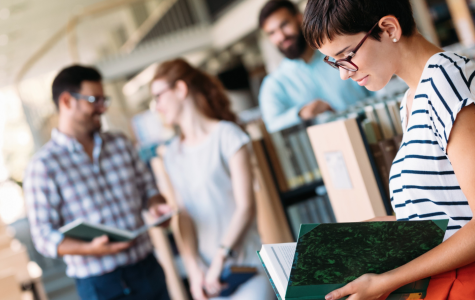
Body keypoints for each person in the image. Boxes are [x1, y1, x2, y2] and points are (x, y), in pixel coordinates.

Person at [302, 0, 475, 299]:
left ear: (389, 28)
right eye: (334, 62)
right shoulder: (412, 99)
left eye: (346, 56)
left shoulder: (446, 80)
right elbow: (449, 215)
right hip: (443, 284)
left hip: (469, 285)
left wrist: (388, 281)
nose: (344, 73)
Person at [24, 65, 174, 300]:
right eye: (94, 100)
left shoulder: (121, 143)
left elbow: (149, 191)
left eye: (104, 99)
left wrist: (157, 206)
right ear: (66, 101)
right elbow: (43, 236)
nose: (102, 108)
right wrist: (88, 249)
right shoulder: (43, 166)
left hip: (147, 270)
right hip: (100, 286)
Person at [149, 58, 273, 300]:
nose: (157, 106)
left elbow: (246, 207)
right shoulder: (172, 152)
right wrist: (195, 272)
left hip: (244, 269)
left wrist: (220, 258)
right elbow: (183, 217)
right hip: (208, 280)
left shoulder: (228, 135)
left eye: (159, 96)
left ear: (181, 89)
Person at [257, 0, 373, 132]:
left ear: (299, 18)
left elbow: (379, 91)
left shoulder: (342, 54)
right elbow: (272, 125)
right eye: (272, 33)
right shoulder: (274, 84)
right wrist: (301, 113)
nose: (281, 36)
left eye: (284, 24)